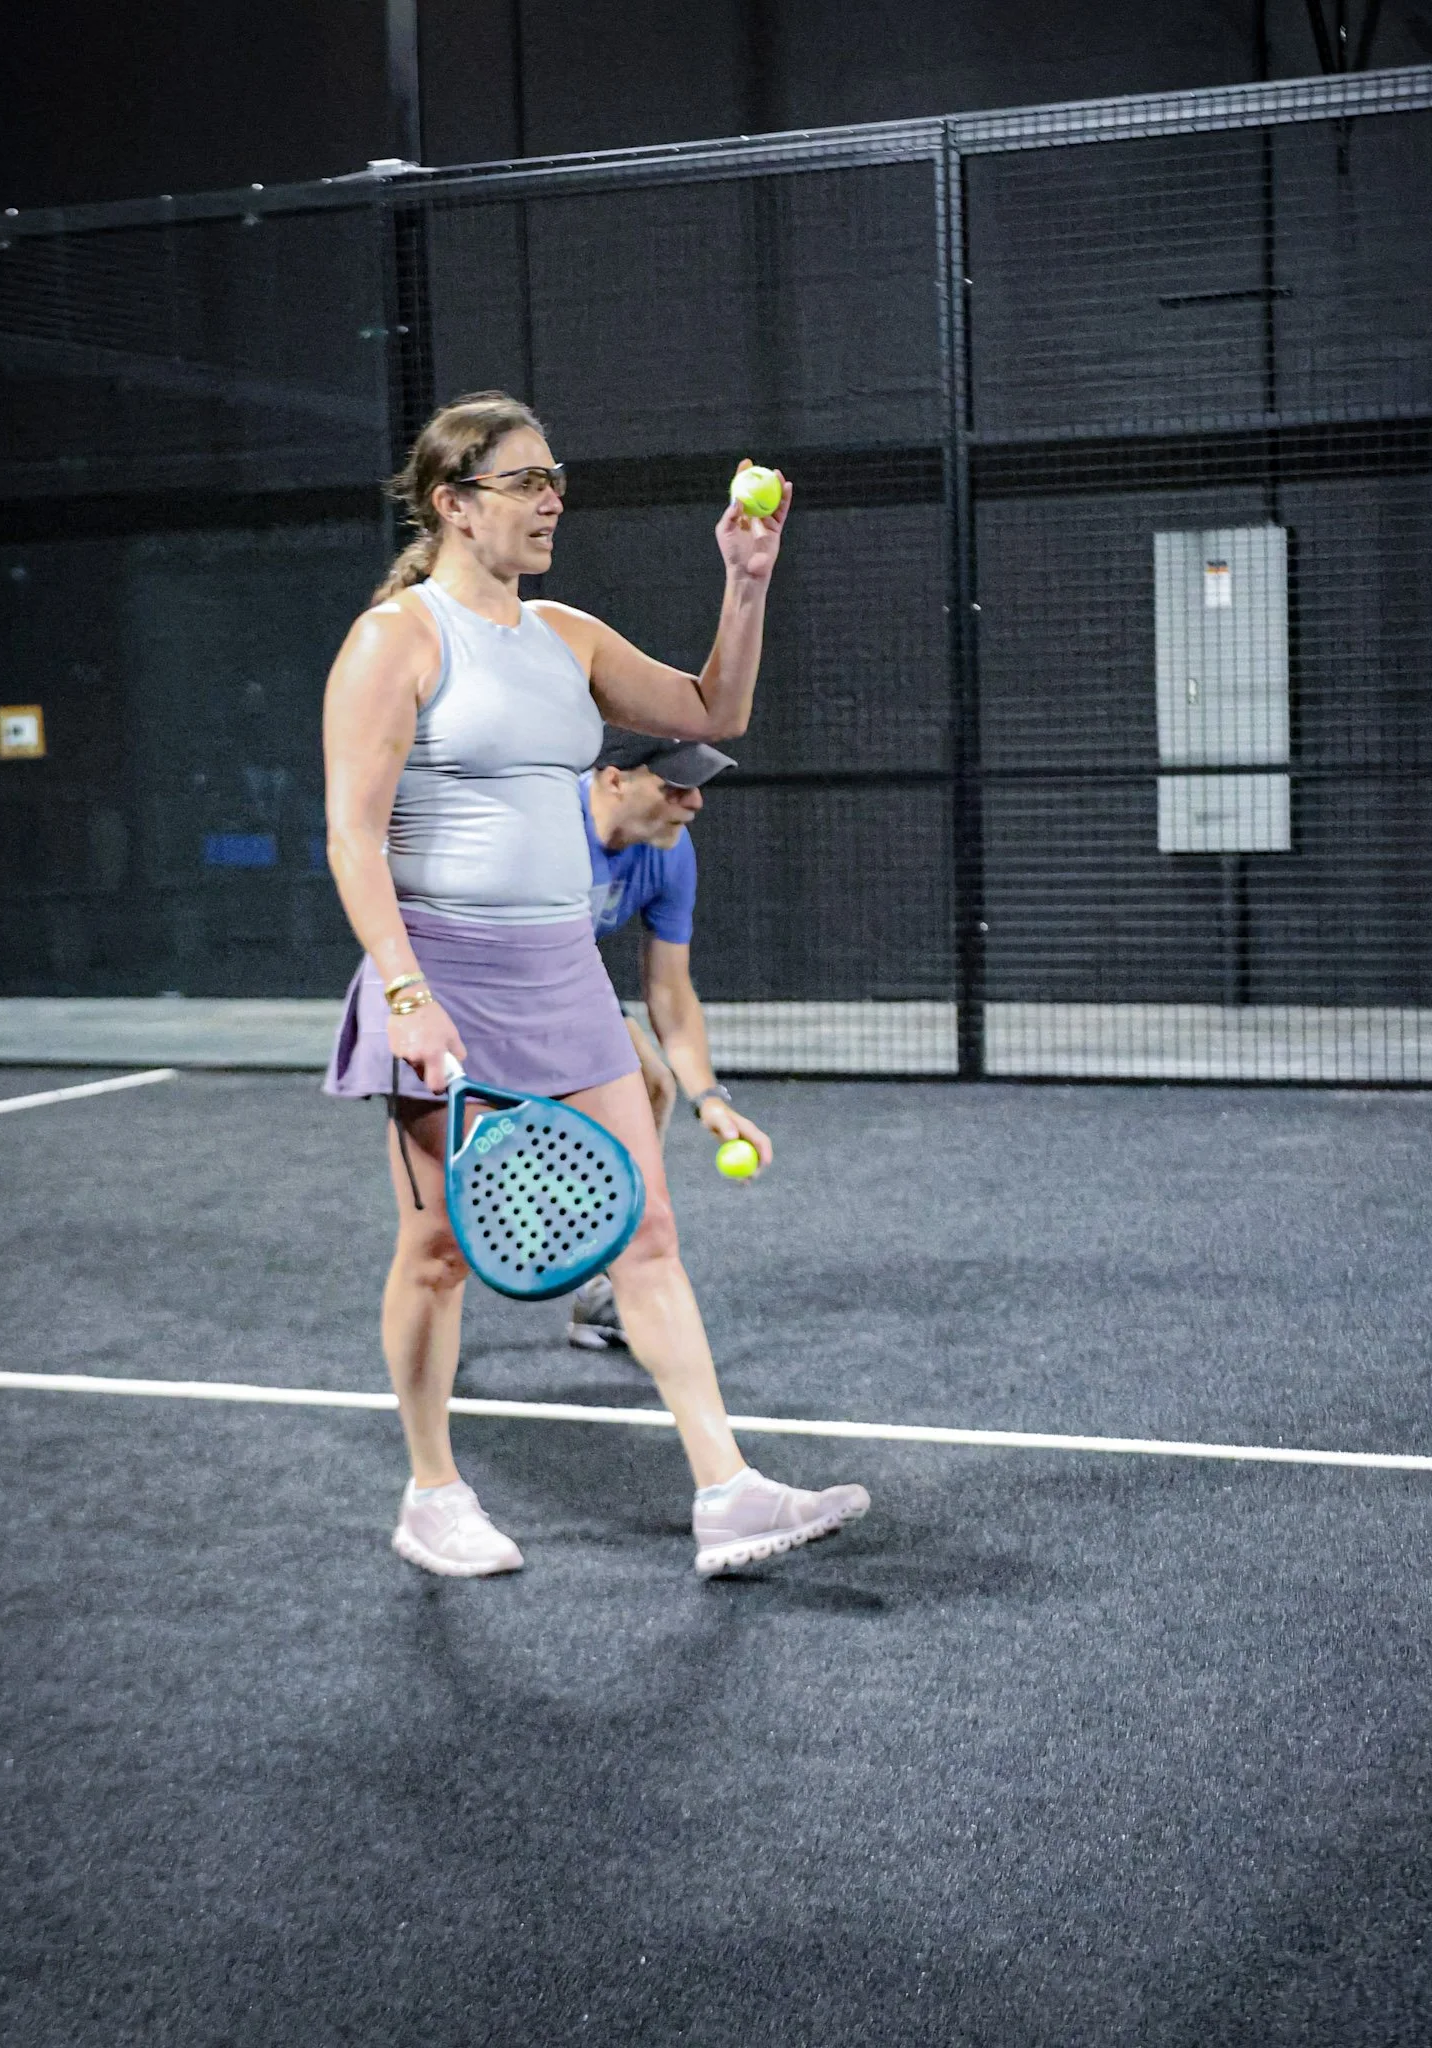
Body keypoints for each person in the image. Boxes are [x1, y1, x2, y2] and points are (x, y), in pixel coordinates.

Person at [320, 390, 869, 1579]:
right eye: (524, 481)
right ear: (453, 504)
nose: (552, 497)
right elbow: (352, 839)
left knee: (651, 1230)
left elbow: (716, 709)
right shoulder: (396, 639)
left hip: (563, 972)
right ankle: (431, 1491)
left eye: (553, 476)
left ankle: (725, 1491)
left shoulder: (565, 635)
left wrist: (746, 576)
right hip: (445, 972)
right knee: (437, 1254)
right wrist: (406, 994)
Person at [567, 730, 773, 1354]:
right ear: (614, 779)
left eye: (696, 788)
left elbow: (669, 993)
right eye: (674, 786)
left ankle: (600, 1286)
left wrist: (709, 1098)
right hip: (477, 979)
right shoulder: (547, 831)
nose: (694, 803)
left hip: (567, 976)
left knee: (650, 1082)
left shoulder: (669, 852)